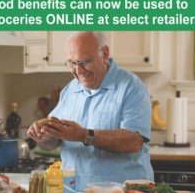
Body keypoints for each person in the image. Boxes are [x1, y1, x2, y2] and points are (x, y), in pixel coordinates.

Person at [27, 31, 154, 191]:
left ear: (104, 54)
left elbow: (133, 141)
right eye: (72, 63)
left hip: (122, 189)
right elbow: (53, 142)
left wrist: (84, 135)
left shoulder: (130, 86)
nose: (78, 71)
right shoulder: (70, 90)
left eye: (85, 62)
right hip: (74, 188)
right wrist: (42, 137)